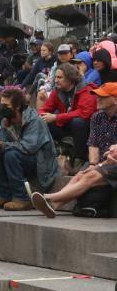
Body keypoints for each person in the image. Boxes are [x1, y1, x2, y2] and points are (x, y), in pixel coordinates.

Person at [30, 82, 117, 217]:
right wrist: (93, 164)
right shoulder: (97, 117)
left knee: (91, 175)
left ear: (115, 99)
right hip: (103, 163)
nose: (97, 99)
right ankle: (54, 206)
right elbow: (93, 144)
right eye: (97, 96)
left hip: (113, 163)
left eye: (103, 96)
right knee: (80, 175)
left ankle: (48, 197)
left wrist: (100, 165)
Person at [0, 88, 59, 211]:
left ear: (17, 106)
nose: (2, 107)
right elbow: (3, 143)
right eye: (1, 104)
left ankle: (22, 198)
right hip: (18, 157)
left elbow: (27, 147)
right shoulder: (6, 121)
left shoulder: (34, 121)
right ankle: (2, 195)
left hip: (40, 162)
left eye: (6, 105)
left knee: (10, 154)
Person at [38, 62, 96, 165]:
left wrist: (57, 117)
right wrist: (41, 115)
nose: (56, 80)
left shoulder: (86, 89)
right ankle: (57, 150)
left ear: (70, 78)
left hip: (86, 129)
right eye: (55, 77)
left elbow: (84, 113)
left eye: (60, 77)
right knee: (43, 121)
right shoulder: (58, 91)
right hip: (65, 124)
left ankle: (80, 157)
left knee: (77, 122)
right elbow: (46, 108)